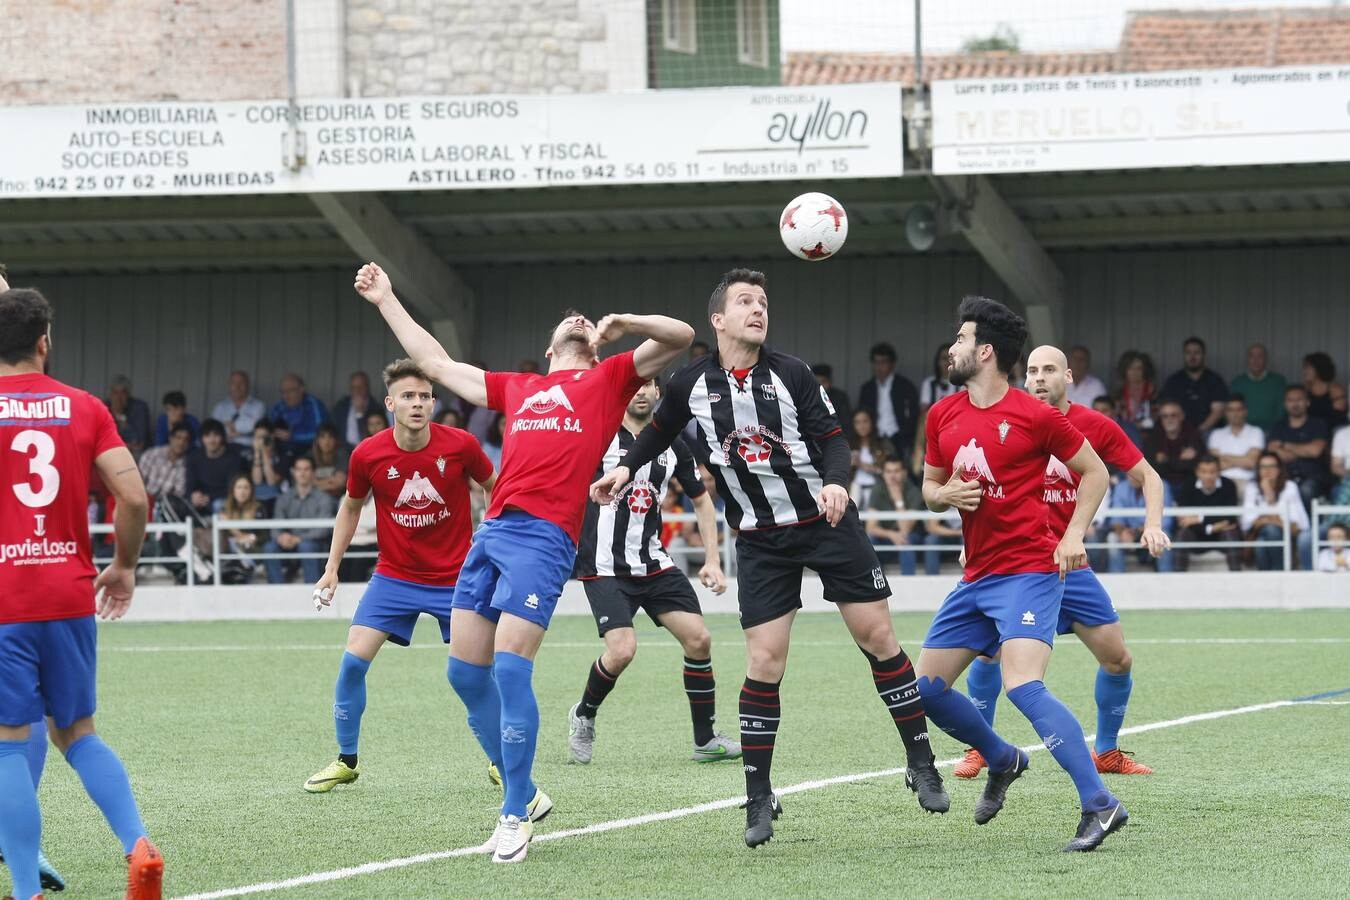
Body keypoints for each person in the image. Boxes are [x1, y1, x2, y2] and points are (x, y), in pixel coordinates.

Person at [591, 268, 946, 850]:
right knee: (764, 660)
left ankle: (920, 761)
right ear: (718, 320)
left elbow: (833, 437)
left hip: (825, 523)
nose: (758, 309)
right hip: (759, 538)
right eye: (745, 302)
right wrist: (624, 468)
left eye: (763, 302)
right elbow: (658, 432)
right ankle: (758, 795)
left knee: (878, 637)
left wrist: (836, 483)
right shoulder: (686, 385)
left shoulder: (792, 374)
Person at [358, 260, 691, 863]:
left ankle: (513, 812)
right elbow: (434, 362)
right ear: (548, 348)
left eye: (584, 321)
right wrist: (386, 299)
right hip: (491, 534)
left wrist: (620, 324)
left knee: (511, 671)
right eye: (571, 320)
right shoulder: (520, 387)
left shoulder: (610, 378)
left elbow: (681, 336)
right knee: (463, 674)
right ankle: (526, 793)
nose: (578, 318)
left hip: (544, 539)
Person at [914, 296, 1126, 853]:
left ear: (985, 351)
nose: (952, 347)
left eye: (960, 339)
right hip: (976, 577)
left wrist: (1074, 533)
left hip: (1029, 571)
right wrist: (944, 496)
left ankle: (1099, 804)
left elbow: (1096, 473)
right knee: (927, 691)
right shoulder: (943, 414)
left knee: (1023, 684)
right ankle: (1005, 758)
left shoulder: (1037, 416)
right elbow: (930, 487)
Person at [0, 286, 164, 899]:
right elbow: (134, 497)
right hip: (69, 594)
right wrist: (122, 565)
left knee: (8, 746)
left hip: (5, 599)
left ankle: (25, 891)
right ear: (45, 342)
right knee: (80, 733)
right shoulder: (85, 407)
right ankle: (138, 845)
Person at [953, 344, 1170, 786]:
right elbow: (981, 488)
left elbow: (1148, 475)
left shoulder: (1093, 426)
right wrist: (970, 541)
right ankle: (980, 746)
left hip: (1071, 567)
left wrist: (1152, 524)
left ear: (1068, 377)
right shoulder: (1004, 420)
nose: (1038, 378)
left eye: (1049, 370)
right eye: (1031, 370)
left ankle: (1106, 751)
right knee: (989, 652)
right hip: (1014, 566)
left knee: (1118, 659)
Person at [304, 360, 510, 799]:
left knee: (477, 675)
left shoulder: (462, 445)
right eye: (408, 396)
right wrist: (331, 567)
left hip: (458, 578)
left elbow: (495, 486)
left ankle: (501, 761)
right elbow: (351, 507)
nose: (417, 403)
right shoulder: (368, 454)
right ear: (390, 403)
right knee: (352, 663)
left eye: (424, 396)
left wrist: (494, 540)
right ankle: (346, 760)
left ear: (434, 403)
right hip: (394, 577)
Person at [566, 379, 738, 765]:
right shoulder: (599, 437)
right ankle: (585, 713)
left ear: (659, 394)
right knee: (623, 650)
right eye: (633, 386)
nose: (641, 392)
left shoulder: (673, 443)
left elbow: (702, 501)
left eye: (648, 386)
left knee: (699, 640)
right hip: (605, 566)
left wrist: (712, 559)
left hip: (654, 563)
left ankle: (705, 739)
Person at [263, 456, 338, 585]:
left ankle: (313, 589)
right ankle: (276, 590)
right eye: (298, 469)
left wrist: (299, 538)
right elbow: (276, 525)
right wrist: (281, 537)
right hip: (288, 543)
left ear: (313, 473)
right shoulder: (284, 498)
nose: (302, 473)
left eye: (306, 469)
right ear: (293, 472)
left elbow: (323, 530)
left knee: (306, 546)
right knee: (270, 547)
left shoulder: (324, 499)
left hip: (315, 544)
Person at [1240, 452, 1311, 571]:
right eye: (1263, 467)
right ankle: (1277, 575)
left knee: (1269, 533)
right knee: (1262, 542)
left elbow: (1297, 525)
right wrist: (1275, 519)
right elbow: (1247, 523)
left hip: (1287, 536)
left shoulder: (1289, 486)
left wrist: (1270, 498)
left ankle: (1274, 575)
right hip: (1260, 535)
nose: (1267, 471)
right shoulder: (1252, 487)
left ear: (1279, 469)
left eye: (1272, 466)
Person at [1267, 385, 1331, 509]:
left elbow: (1315, 451)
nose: (1295, 404)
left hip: (1313, 479)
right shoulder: (1278, 427)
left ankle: (1308, 528)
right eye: (1290, 400)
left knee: (1306, 489)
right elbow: (1275, 454)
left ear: (1307, 402)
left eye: (1299, 399)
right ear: (1285, 404)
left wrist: (1284, 445)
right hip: (1285, 478)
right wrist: (1303, 450)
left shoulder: (1318, 424)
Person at [1174, 455, 1242, 572]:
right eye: (1204, 472)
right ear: (1197, 472)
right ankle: (1178, 580)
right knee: (1182, 534)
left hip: (1221, 534)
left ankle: (1237, 578)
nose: (1208, 476)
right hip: (1197, 534)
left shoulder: (1228, 485)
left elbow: (1230, 518)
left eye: (1212, 472)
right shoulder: (1188, 485)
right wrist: (1210, 528)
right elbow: (1184, 520)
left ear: (1219, 472)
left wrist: (1198, 519)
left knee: (1231, 533)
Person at [857, 341, 920, 458]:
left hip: (900, 438)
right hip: (875, 438)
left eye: (883, 362)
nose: (879, 366)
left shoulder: (905, 386)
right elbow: (862, 414)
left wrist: (907, 435)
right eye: (876, 362)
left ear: (892, 364)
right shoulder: (867, 388)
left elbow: (914, 415)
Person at [864, 457, 924, 576]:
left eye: (896, 471)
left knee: (905, 541)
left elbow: (906, 530)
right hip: (887, 537)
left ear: (904, 473)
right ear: (884, 474)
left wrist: (898, 500)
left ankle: (908, 583)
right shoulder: (878, 490)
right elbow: (870, 527)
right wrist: (891, 534)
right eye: (888, 472)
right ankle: (875, 583)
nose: (892, 476)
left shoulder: (913, 491)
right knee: (870, 540)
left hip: (910, 537)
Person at [1104, 475, 1176, 573]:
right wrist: (1122, 532)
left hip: (1153, 532)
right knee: (1112, 537)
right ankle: (1116, 579)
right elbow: (1116, 519)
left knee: (1164, 536)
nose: (1132, 476)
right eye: (1129, 473)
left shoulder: (1161, 485)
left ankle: (1167, 577)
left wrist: (1141, 530)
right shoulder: (1121, 487)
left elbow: (1167, 520)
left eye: (1135, 471)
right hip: (1130, 533)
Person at [1162, 337, 1228, 432]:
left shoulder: (1215, 380)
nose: (1192, 356)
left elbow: (1218, 412)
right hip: (1179, 432)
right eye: (1188, 353)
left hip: (1208, 431)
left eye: (1196, 352)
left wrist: (1198, 432)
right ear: (1184, 355)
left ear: (1204, 355)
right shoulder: (1173, 381)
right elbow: (1167, 410)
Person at [185, 419, 245, 516]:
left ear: (222, 438)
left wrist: (209, 497)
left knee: (218, 504)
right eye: (207, 436)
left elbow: (232, 489)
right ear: (202, 439)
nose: (212, 440)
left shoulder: (233, 459)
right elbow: (189, 486)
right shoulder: (194, 458)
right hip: (200, 501)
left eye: (216, 435)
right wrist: (194, 496)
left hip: (222, 501)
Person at [1145, 399, 1205, 493]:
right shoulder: (1153, 438)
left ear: (1181, 416)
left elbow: (1196, 465)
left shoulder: (1193, 435)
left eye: (1173, 415)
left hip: (1189, 484)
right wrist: (1179, 460)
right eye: (1165, 416)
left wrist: (1166, 460)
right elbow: (1152, 466)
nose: (1169, 419)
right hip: (1162, 484)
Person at [1206, 394, 1264, 489]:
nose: (1235, 414)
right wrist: (1243, 459)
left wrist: (1224, 456)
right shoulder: (1216, 434)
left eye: (1239, 409)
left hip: (1249, 482)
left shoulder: (1256, 432)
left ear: (1245, 411)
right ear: (1225, 413)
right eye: (1231, 410)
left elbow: (1251, 462)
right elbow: (1214, 465)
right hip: (1221, 483)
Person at [218, 474, 267, 584]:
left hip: (251, 551)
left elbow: (262, 536)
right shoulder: (224, 507)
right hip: (230, 553)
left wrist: (231, 527)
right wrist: (241, 536)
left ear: (251, 490)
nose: (242, 491)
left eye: (246, 487)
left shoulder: (259, 508)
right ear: (233, 490)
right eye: (239, 487)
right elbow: (222, 536)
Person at [1230, 344, 1286, 432]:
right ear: (1247, 360)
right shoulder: (1237, 382)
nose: (1255, 360)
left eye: (1260, 356)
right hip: (1243, 430)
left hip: (1271, 431)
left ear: (1266, 359)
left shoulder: (1278, 382)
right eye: (1252, 356)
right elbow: (1230, 410)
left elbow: (1282, 411)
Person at [269, 373, 328, 455]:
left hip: (307, 450)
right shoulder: (279, 406)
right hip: (282, 450)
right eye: (283, 392)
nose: (286, 396)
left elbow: (321, 435)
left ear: (302, 390)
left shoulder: (313, 405)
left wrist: (293, 437)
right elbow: (268, 427)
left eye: (290, 391)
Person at [848, 408, 895, 507]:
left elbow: (886, 469)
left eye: (865, 421)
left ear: (872, 422)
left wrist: (861, 464)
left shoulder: (881, 444)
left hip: (877, 488)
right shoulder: (849, 445)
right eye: (857, 422)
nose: (862, 426)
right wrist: (848, 463)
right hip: (854, 488)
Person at [212, 370, 268, 450]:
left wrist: (231, 426)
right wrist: (245, 429)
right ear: (229, 386)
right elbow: (213, 430)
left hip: (248, 448)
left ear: (248, 385)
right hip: (223, 448)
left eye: (241, 383)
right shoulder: (220, 407)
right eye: (233, 383)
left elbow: (258, 429)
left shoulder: (258, 406)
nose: (237, 386)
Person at [331, 371, 383, 447]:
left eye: (361, 387)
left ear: (367, 387)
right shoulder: (341, 406)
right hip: (343, 450)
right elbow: (332, 429)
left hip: (368, 449)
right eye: (354, 387)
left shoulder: (376, 407)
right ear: (350, 389)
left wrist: (360, 413)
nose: (358, 390)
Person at [105, 375, 152, 456]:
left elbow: (139, 441)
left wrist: (120, 416)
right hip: (110, 450)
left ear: (128, 394)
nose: (118, 398)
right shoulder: (104, 406)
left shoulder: (139, 407)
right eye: (115, 393)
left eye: (122, 393)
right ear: (110, 395)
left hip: (133, 452)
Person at [1301, 352, 1348, 430]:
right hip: (1310, 431)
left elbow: (1339, 418)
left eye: (1307, 368)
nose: (1304, 372)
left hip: (1331, 431)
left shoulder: (1335, 390)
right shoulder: (1306, 389)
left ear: (1319, 368)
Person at [1113, 350, 1156, 435]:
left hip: (1149, 437)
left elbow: (1158, 418)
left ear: (1145, 370)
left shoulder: (1153, 393)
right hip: (1124, 436)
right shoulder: (1118, 395)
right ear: (1124, 370)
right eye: (1130, 368)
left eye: (1139, 368)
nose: (1134, 372)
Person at [310, 423, 351, 498]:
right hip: (314, 499)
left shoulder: (342, 454)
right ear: (317, 440)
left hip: (338, 498)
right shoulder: (310, 456)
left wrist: (316, 483)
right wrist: (331, 479)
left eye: (330, 437)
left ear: (336, 440)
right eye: (322, 437)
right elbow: (305, 483)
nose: (326, 441)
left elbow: (340, 483)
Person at [811, 363, 853, 436]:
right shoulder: (806, 397)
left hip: (835, 439)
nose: (820, 385)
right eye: (816, 382)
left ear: (830, 382)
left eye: (823, 381)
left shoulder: (840, 398)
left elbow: (846, 424)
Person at [920, 343, 961, 410]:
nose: (948, 362)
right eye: (944, 358)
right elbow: (924, 411)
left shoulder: (962, 384)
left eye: (950, 358)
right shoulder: (929, 383)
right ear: (938, 362)